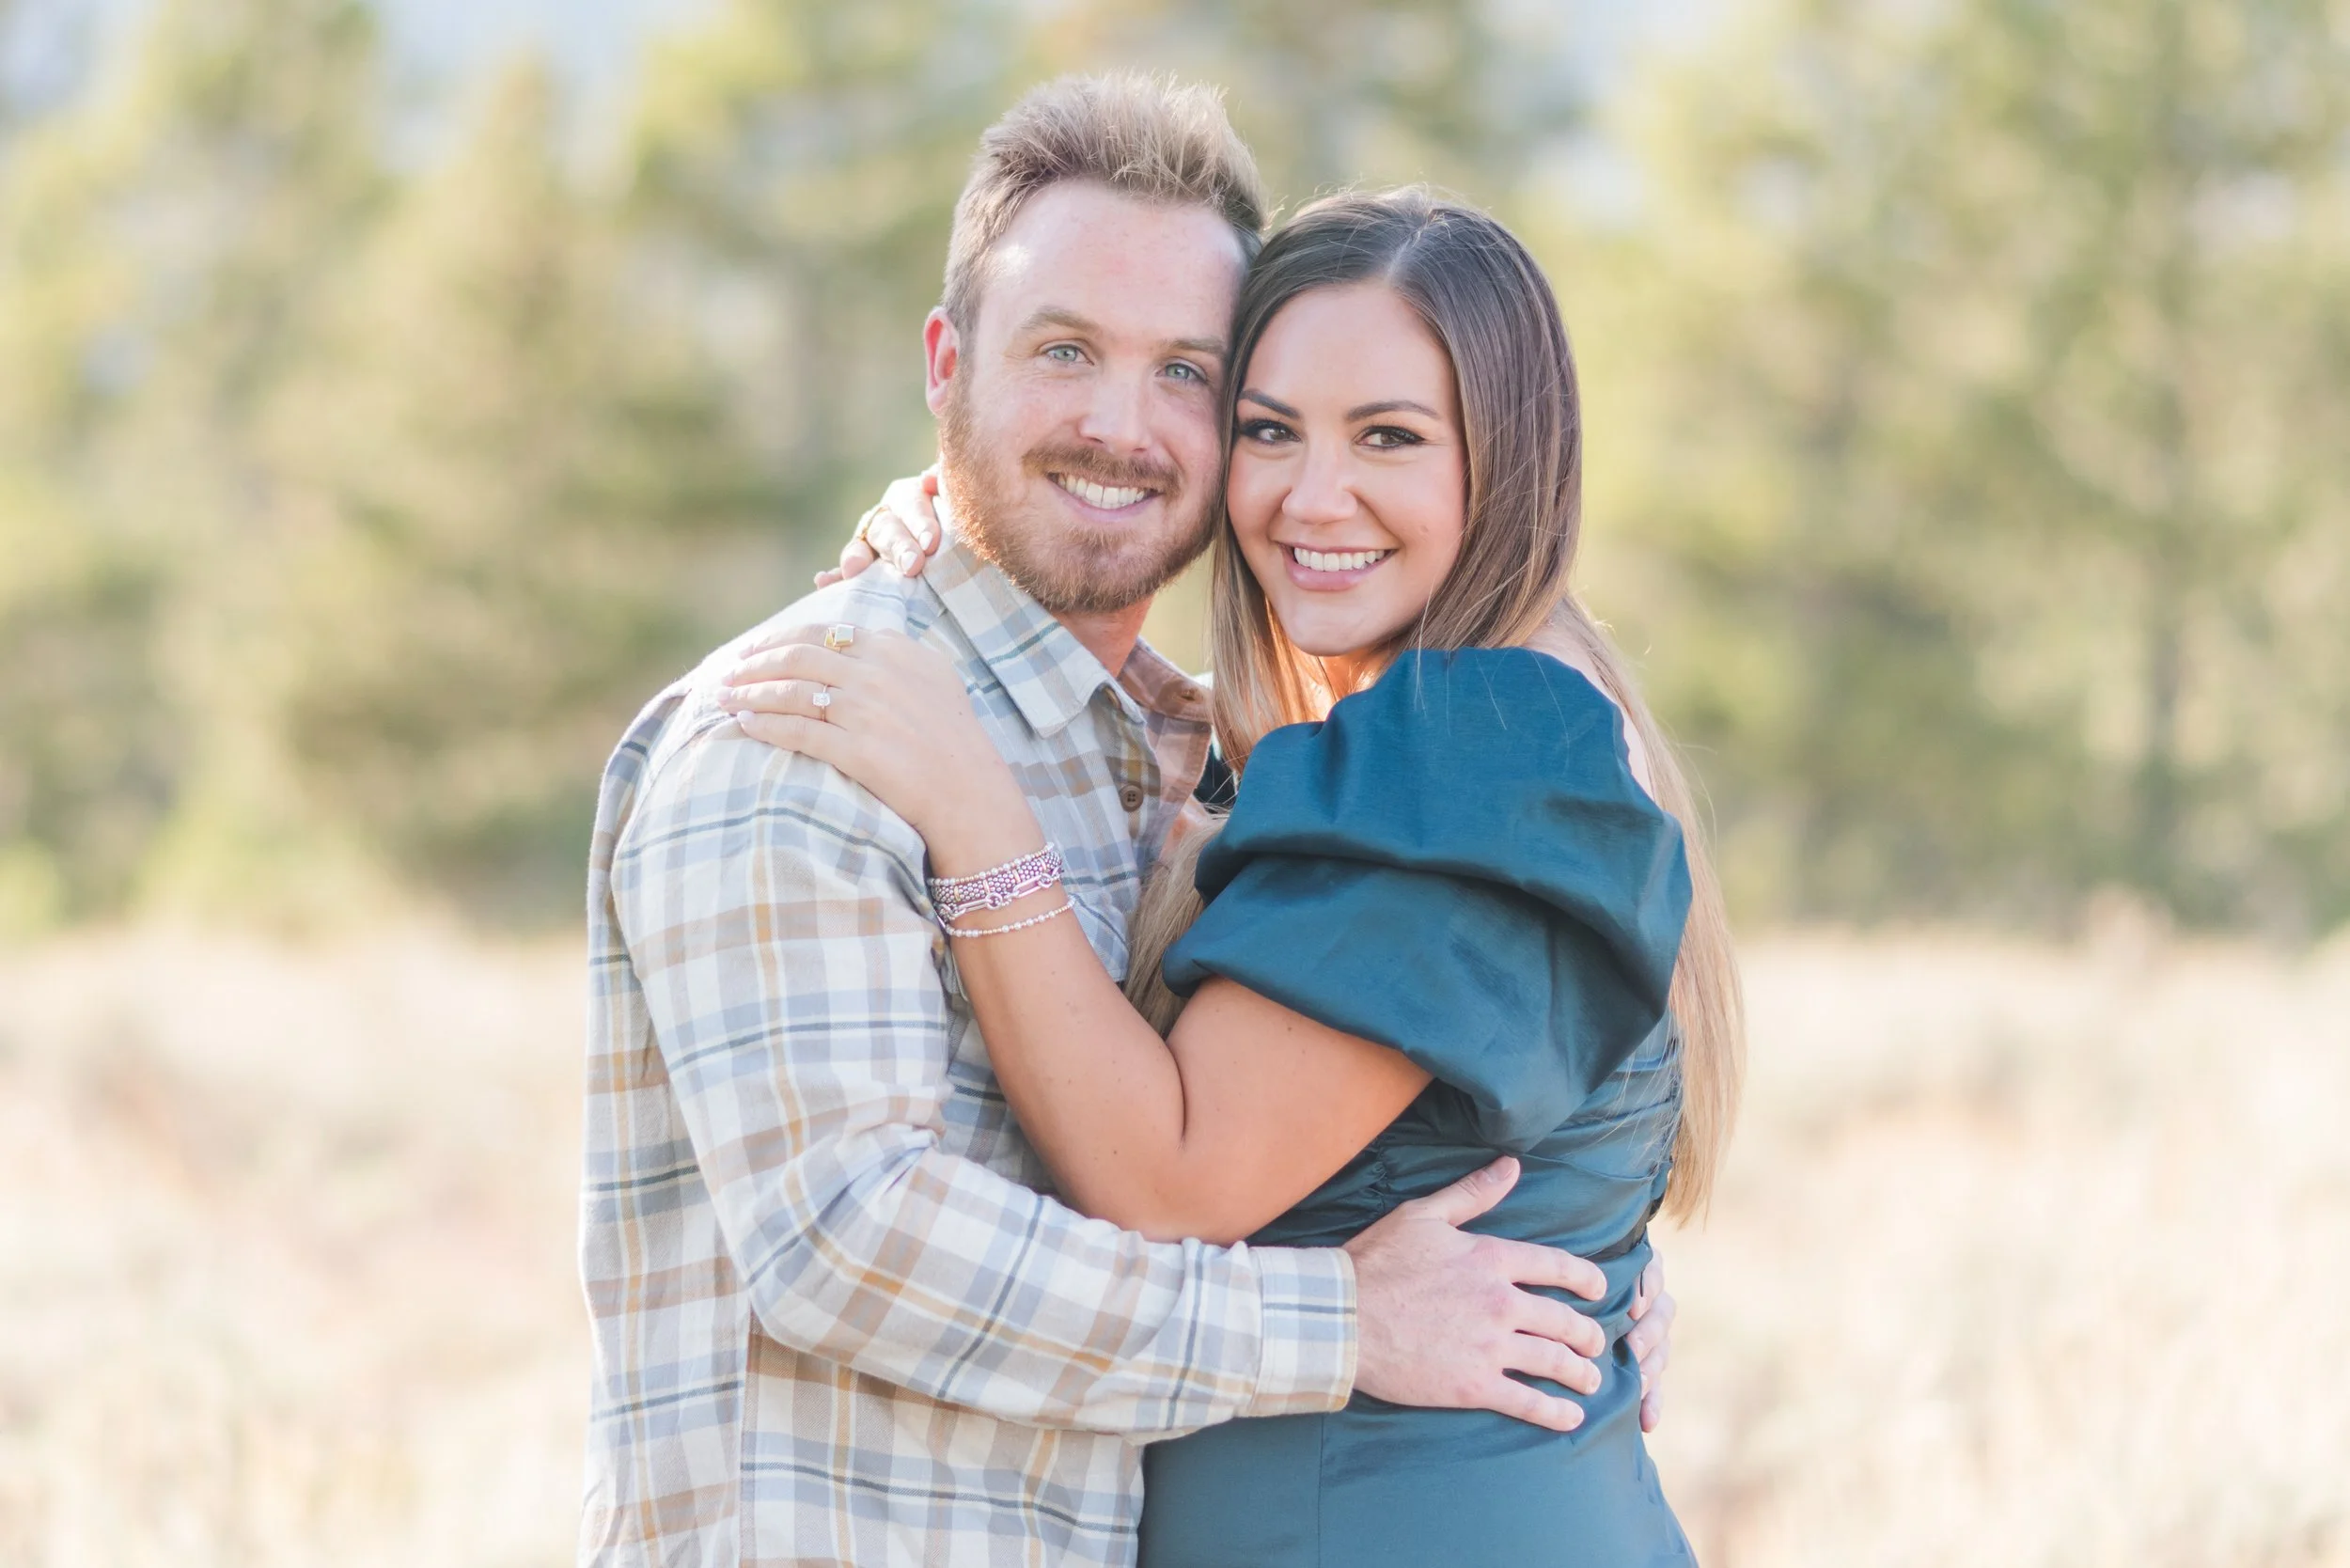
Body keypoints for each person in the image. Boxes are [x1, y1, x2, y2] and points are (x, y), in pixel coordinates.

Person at [579, 75, 1676, 1568]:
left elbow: (1320, 1121)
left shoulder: (1198, 763)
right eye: (1065, 352)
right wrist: (1340, 1322)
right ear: (947, 366)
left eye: (1187, 376)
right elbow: (849, 1247)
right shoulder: (805, 735)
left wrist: (1585, 1247)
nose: (1120, 424)